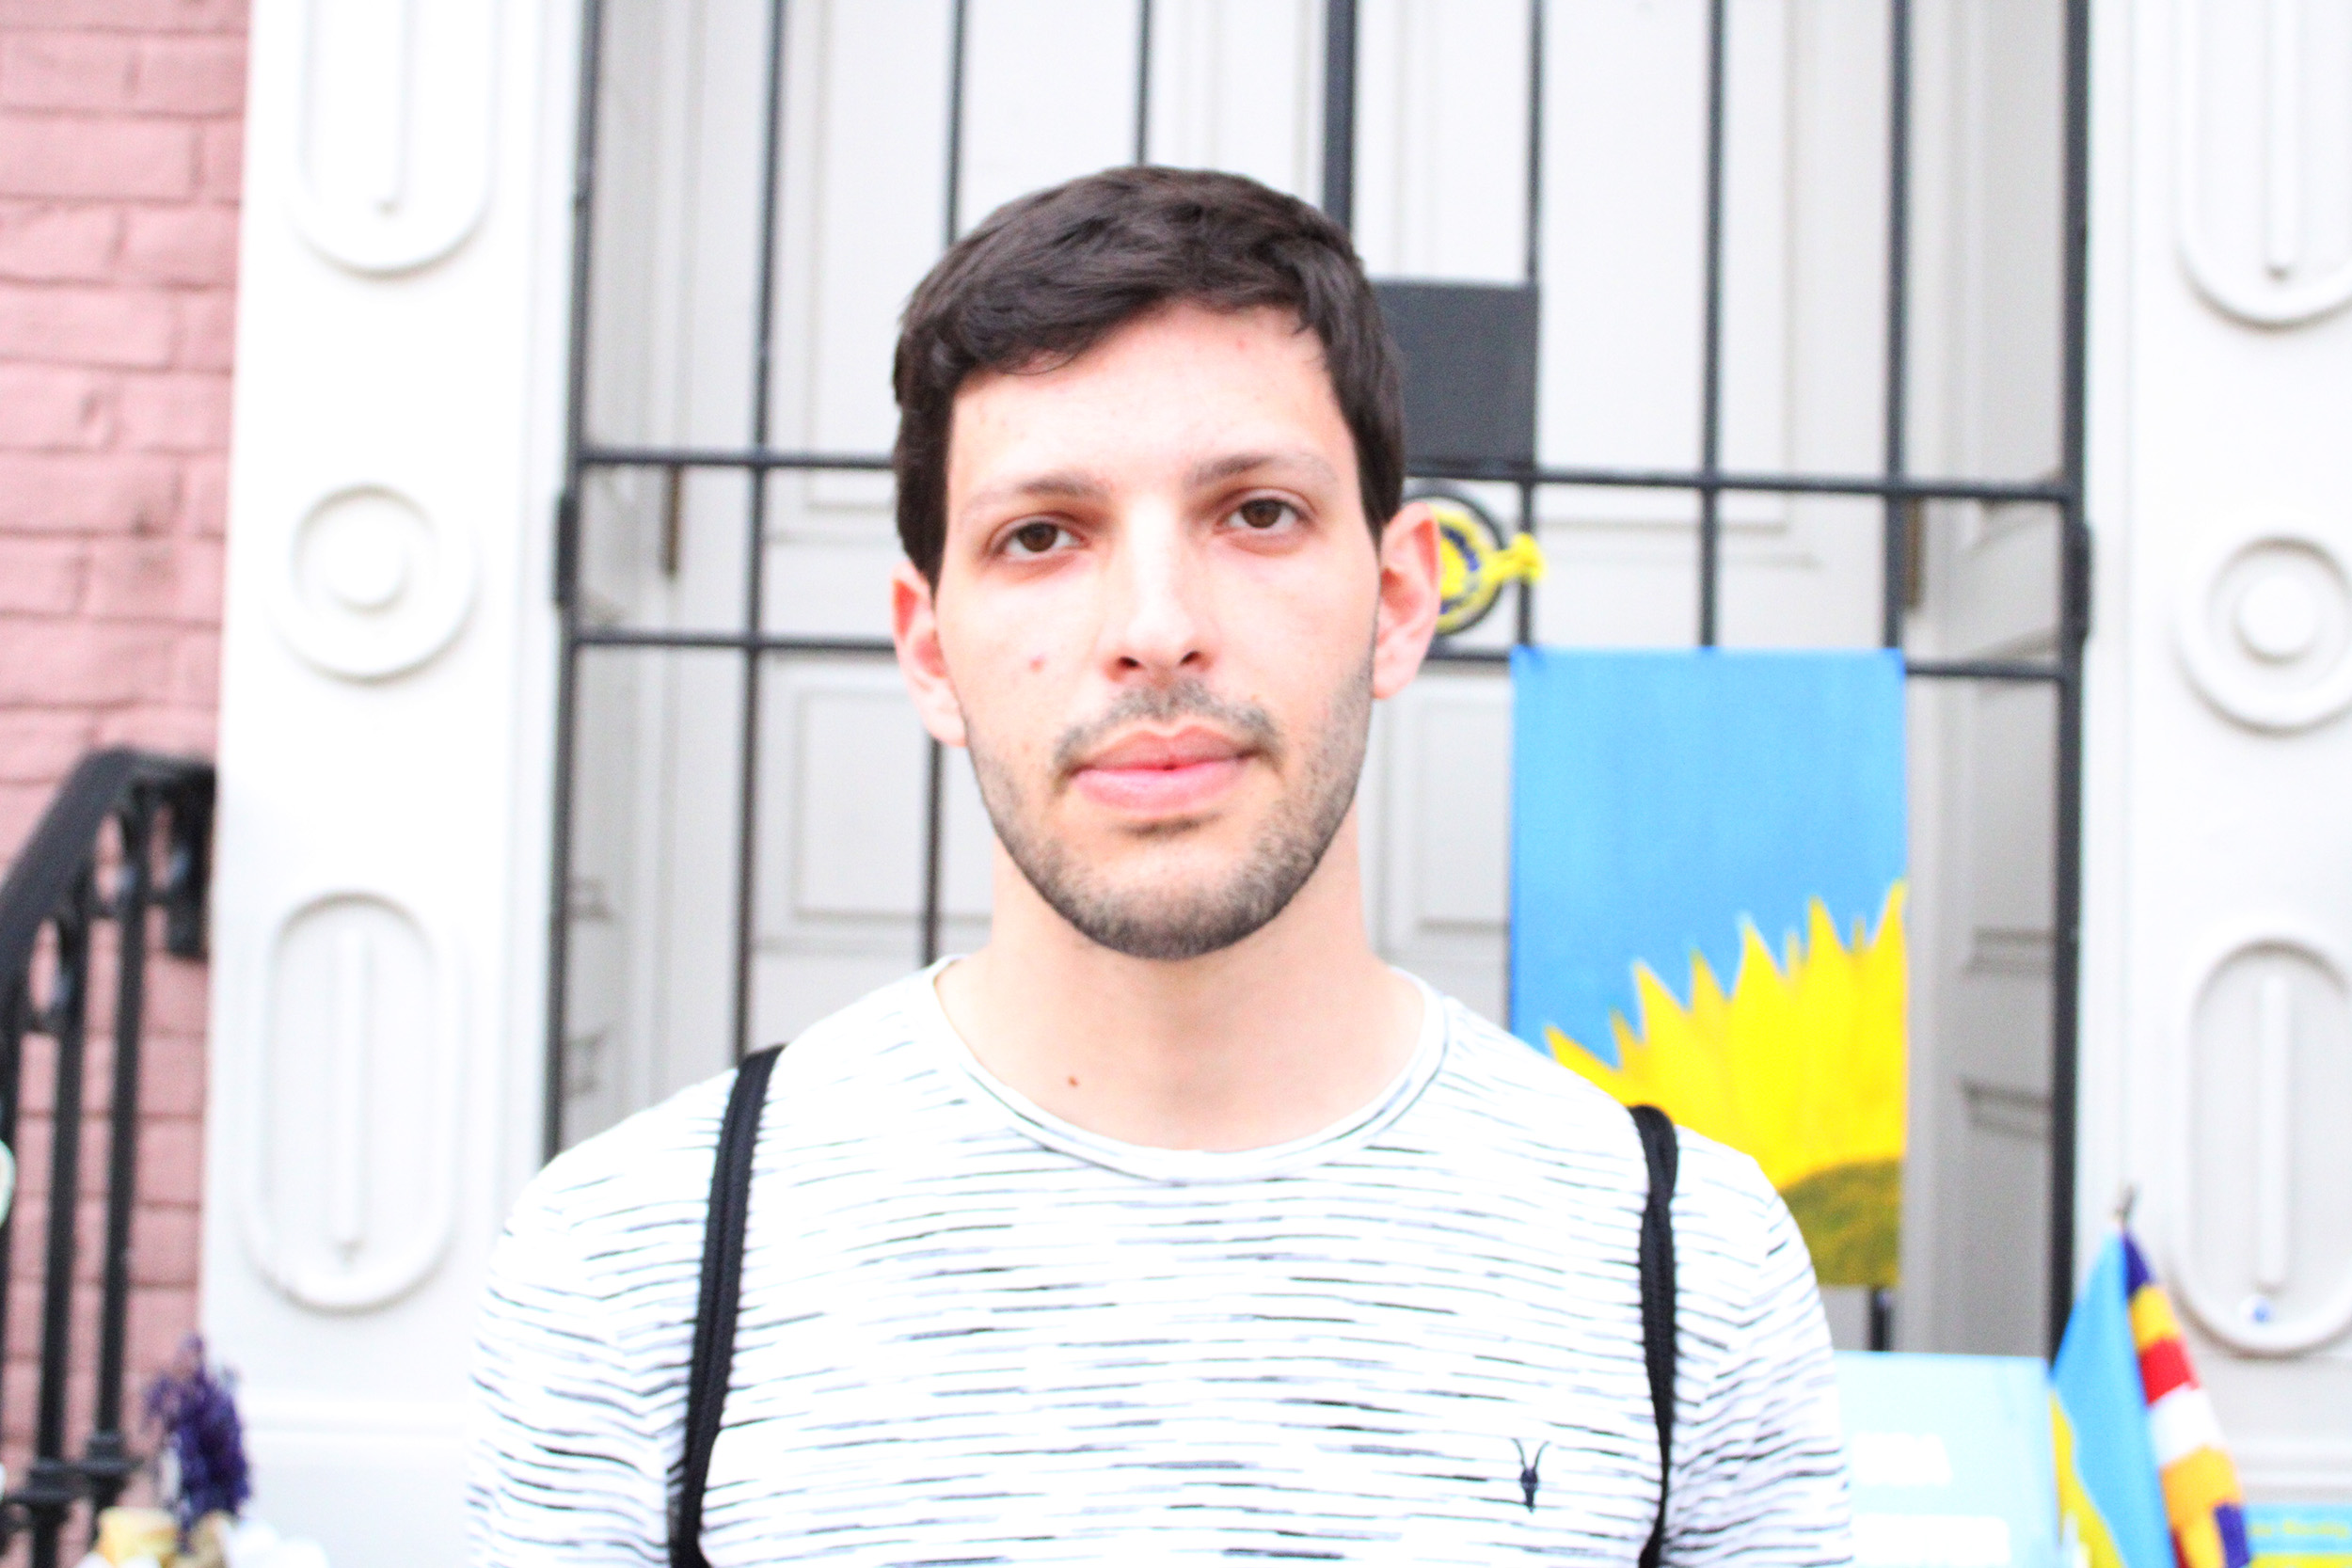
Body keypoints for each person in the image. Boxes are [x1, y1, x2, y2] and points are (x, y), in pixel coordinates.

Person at [469, 166, 1851, 1564]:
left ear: (1399, 599)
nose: (1156, 627)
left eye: (1256, 512)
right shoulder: (632, 1266)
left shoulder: (1690, 1271)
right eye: (1042, 535)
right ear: (929, 647)